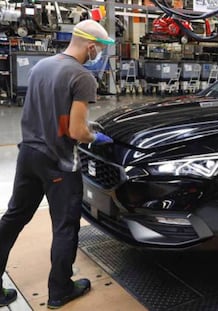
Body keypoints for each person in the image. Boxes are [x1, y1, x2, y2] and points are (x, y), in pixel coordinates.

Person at [0, 20, 114, 308]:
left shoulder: (41, 66)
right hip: (59, 162)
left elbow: (51, 113)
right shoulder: (82, 76)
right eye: (99, 50)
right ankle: (61, 290)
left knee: (13, 218)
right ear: (90, 47)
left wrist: (78, 124)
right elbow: (76, 133)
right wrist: (94, 136)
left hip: (28, 155)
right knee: (65, 227)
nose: (97, 55)